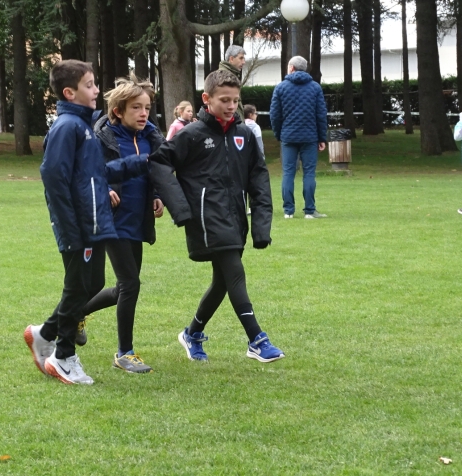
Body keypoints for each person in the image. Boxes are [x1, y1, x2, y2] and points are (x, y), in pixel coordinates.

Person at [23, 60, 149, 385]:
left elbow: (97, 175)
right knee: (78, 286)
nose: (97, 90)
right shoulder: (67, 127)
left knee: (90, 285)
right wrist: (70, 229)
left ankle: (45, 334)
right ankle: (63, 355)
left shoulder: (84, 127)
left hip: (94, 224)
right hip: (78, 228)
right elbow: (53, 177)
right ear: (70, 92)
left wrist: (140, 163)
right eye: (90, 85)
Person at [149, 69, 284, 364]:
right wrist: (181, 209)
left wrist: (261, 226)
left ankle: (193, 333)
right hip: (206, 219)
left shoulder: (245, 136)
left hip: (236, 218)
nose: (231, 106)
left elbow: (259, 180)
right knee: (234, 272)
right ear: (207, 99)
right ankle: (257, 339)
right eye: (225, 99)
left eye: (235, 100)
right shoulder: (192, 135)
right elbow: (158, 162)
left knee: (223, 281)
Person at [79, 75, 165, 374]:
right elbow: (87, 173)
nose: (144, 113)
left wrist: (156, 196)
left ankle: (76, 313)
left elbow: (154, 171)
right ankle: (124, 353)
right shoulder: (100, 136)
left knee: (123, 288)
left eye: (147, 107)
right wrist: (103, 189)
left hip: (137, 219)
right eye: (136, 108)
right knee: (131, 284)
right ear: (118, 110)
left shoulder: (150, 137)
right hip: (111, 220)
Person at [270, 55, 328, 219]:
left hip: (288, 137)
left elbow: (275, 115)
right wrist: (321, 138)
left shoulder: (281, 88)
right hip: (310, 137)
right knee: (309, 173)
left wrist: (279, 133)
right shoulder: (315, 88)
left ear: (291, 68)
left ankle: (288, 211)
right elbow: (321, 115)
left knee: (288, 173)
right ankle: (309, 210)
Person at [218, 44, 246, 120]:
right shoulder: (224, 77)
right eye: (241, 58)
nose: (244, 62)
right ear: (231, 59)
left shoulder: (231, 75)